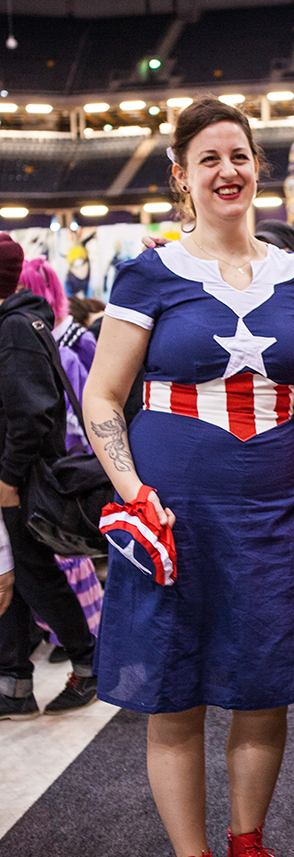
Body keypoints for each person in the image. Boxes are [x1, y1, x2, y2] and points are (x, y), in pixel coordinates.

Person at [83, 96, 294, 857]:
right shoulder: (150, 272)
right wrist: (132, 493)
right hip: (172, 515)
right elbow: (102, 394)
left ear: (257, 166)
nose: (228, 170)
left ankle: (247, 843)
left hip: (267, 513)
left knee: (264, 687)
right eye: (209, 158)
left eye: (241, 154)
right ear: (181, 175)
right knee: (174, 693)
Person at [0, 234, 97, 720]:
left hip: (18, 479)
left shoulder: (14, 327)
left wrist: (8, 478)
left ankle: (87, 662)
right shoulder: (23, 321)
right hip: (19, 474)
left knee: (34, 576)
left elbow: (31, 413)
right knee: (16, 579)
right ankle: (15, 682)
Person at [18, 257, 103, 665]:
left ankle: (81, 648)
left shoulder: (35, 334)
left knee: (51, 557)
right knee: (53, 556)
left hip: (55, 461)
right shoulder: (50, 333)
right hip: (64, 455)